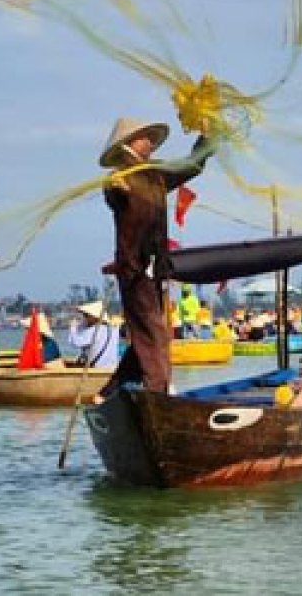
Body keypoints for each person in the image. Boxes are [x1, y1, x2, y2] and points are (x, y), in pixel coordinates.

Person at [98, 116, 215, 397]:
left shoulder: (156, 175)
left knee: (149, 331)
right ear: (129, 142)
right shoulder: (118, 177)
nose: (150, 142)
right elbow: (113, 196)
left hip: (154, 266)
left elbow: (192, 165)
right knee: (154, 332)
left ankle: (110, 391)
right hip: (134, 267)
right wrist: (118, 189)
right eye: (145, 137)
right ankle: (157, 394)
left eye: (151, 137)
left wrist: (207, 139)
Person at [68, 301, 120, 368]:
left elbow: (76, 343)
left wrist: (73, 328)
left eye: (86, 315)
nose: (84, 317)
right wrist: (81, 325)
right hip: (112, 368)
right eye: (84, 314)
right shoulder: (113, 330)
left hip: (97, 368)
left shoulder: (94, 330)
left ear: (94, 316)